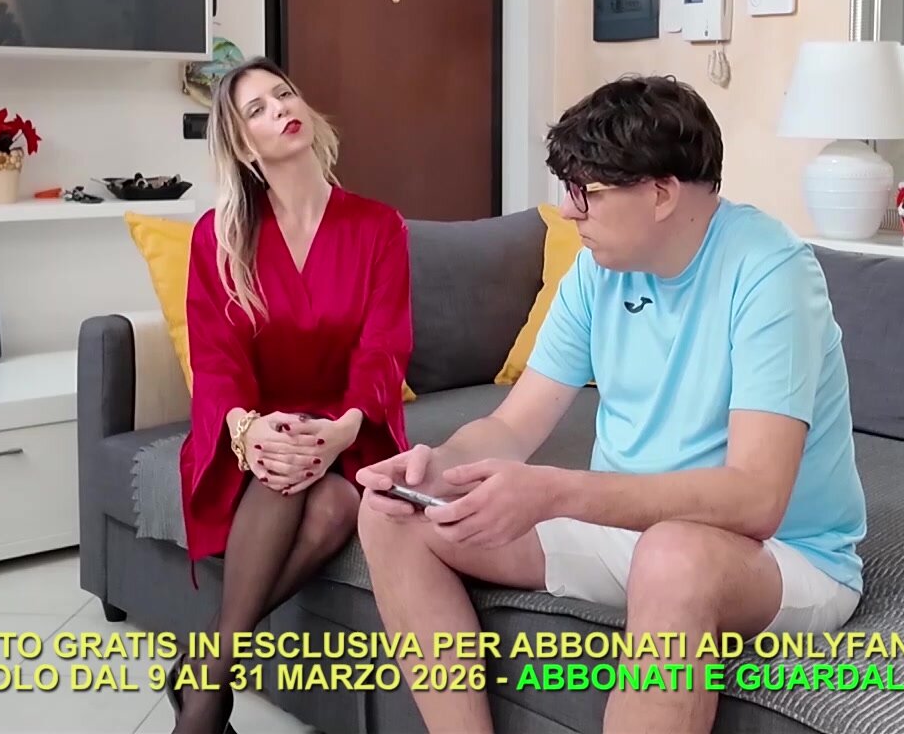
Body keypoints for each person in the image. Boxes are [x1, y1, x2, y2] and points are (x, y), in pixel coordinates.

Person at [357, 74, 866, 734]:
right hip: (630, 533)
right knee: (391, 516)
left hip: (777, 556)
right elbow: (512, 425)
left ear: (660, 193)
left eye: (586, 192)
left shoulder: (771, 272)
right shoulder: (596, 272)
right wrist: (435, 466)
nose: (570, 212)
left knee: (674, 557)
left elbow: (755, 499)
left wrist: (554, 492)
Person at [173, 57, 413, 734]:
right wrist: (249, 430)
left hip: (349, 428)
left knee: (337, 496)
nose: (280, 108)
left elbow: (384, 349)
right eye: (257, 109)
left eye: (284, 94)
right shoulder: (219, 237)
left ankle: (205, 671)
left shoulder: (379, 226)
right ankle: (208, 694)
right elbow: (216, 360)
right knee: (295, 479)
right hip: (250, 433)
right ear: (242, 145)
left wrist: (342, 428)